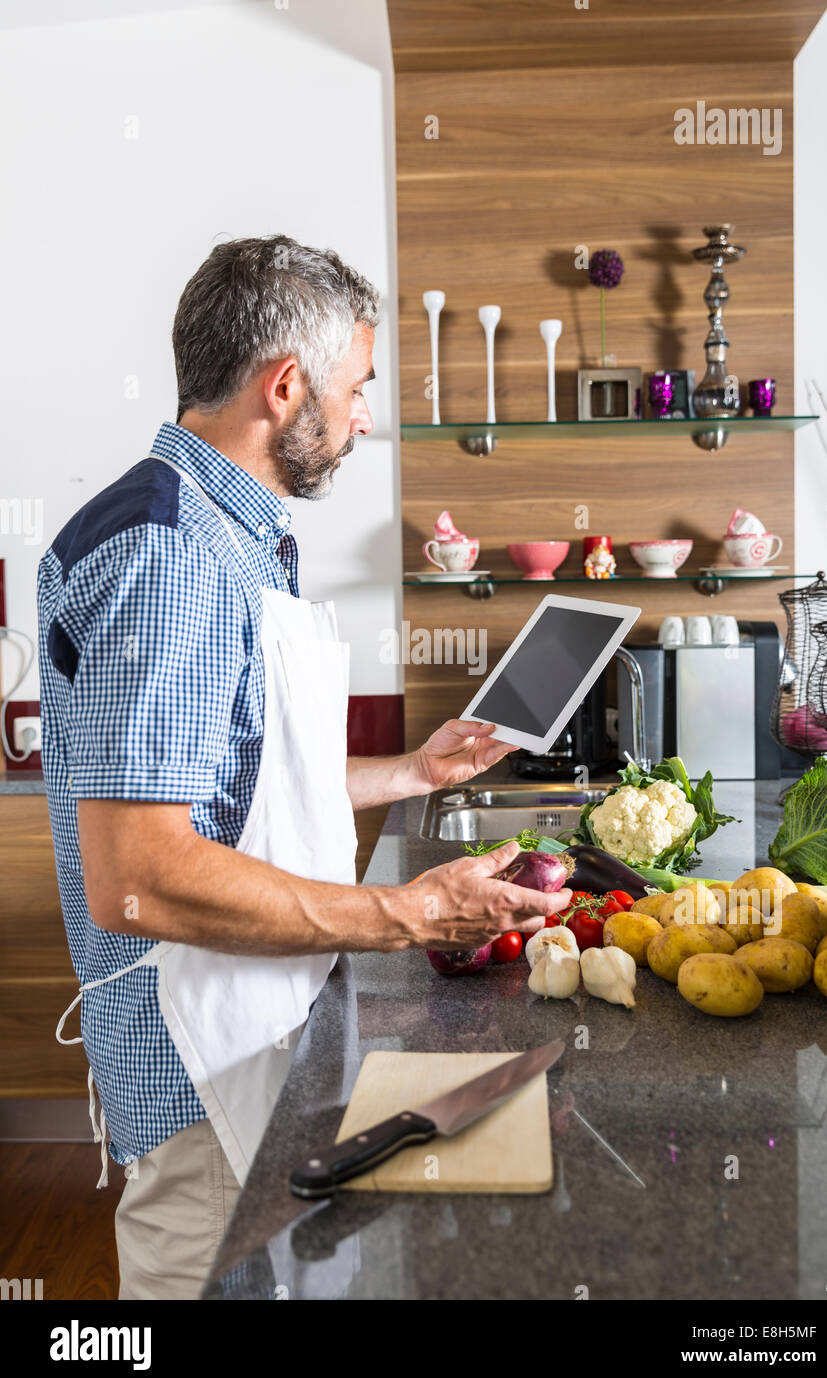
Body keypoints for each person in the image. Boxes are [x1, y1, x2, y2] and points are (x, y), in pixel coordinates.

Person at [37, 235, 570, 1299]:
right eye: (357, 387)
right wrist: (408, 912)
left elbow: (245, 786)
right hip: (200, 1069)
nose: (365, 415)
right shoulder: (168, 553)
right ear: (284, 387)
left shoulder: (232, 535)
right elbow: (138, 872)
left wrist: (408, 774)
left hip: (259, 1021)